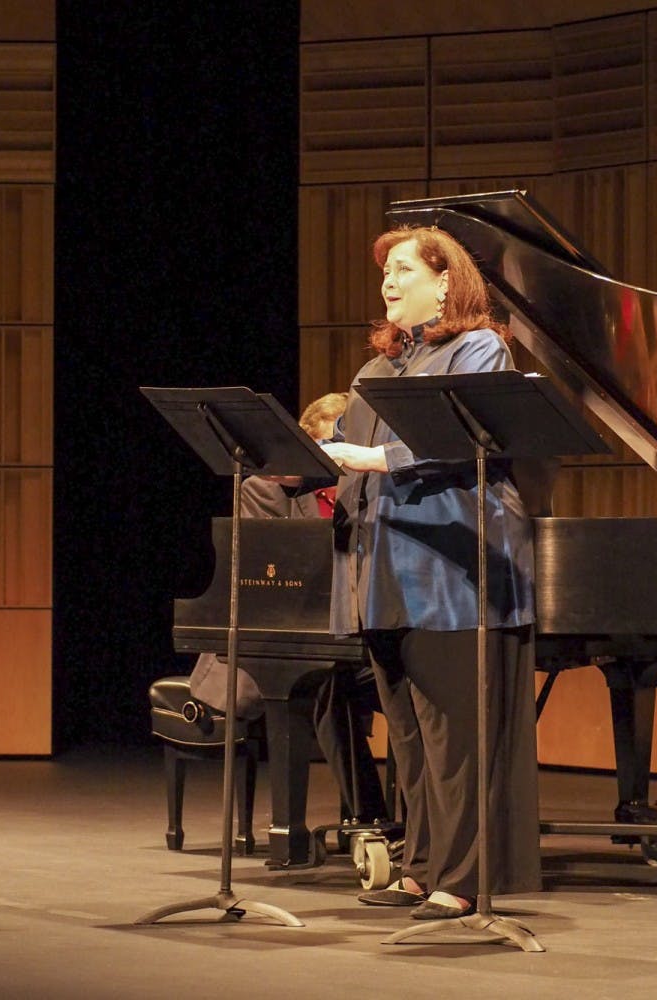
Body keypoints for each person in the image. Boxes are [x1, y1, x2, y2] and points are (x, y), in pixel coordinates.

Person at [306, 224, 540, 919]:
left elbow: (462, 443)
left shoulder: (478, 347)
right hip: (380, 567)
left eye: (405, 269)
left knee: (454, 736)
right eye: (386, 273)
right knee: (407, 730)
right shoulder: (374, 374)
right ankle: (419, 866)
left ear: (446, 282)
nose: (389, 282)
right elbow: (351, 470)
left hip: (452, 568)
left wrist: (372, 460)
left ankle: (462, 879)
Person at [189, 391, 388, 824]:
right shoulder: (268, 490)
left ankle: (410, 829)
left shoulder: (374, 490)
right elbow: (273, 574)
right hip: (296, 630)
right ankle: (367, 822)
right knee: (326, 691)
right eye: (320, 452)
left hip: (370, 628)